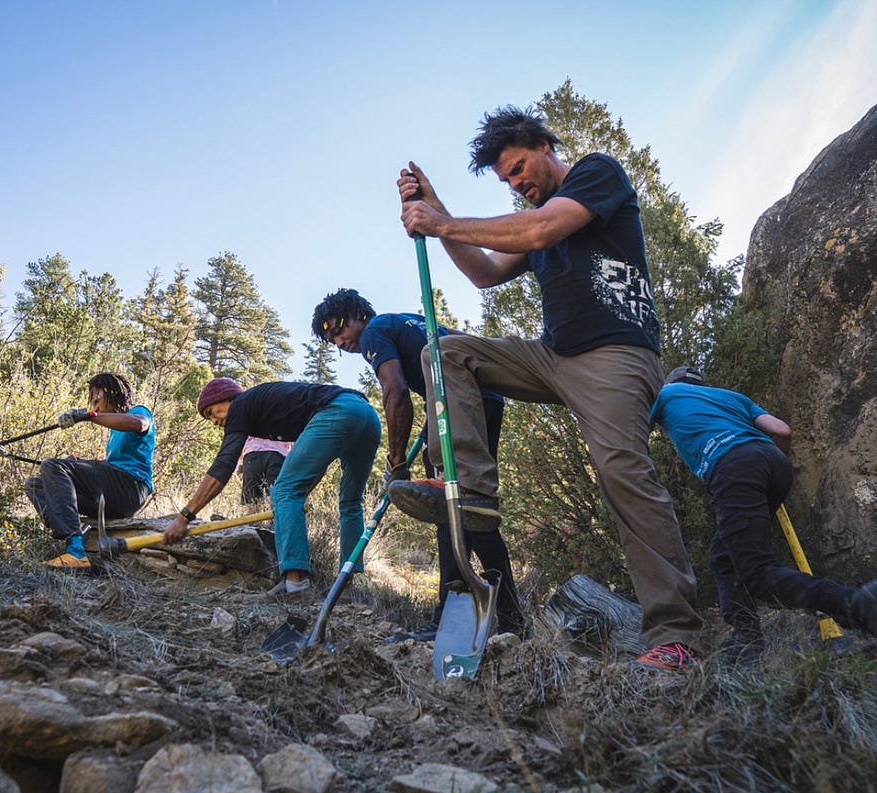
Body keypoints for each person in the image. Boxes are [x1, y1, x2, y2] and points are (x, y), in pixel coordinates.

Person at [390, 105, 705, 670]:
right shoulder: (532, 220)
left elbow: (541, 227)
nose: (517, 183)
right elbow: (484, 272)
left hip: (616, 355)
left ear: (543, 145)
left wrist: (441, 223)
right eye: (507, 179)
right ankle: (475, 494)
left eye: (518, 168)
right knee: (445, 351)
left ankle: (676, 635)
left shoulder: (596, 174)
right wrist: (438, 213)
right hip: (554, 356)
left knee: (620, 472)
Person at [311, 288, 527, 639]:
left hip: (458, 404)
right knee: (473, 510)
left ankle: (448, 618)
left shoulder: (375, 332)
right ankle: (513, 618)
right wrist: (429, 430)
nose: (338, 342)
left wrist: (397, 463)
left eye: (337, 330)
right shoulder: (408, 322)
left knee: (448, 508)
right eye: (330, 339)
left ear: (357, 315)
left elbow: (394, 391)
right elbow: (458, 339)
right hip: (481, 400)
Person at [651, 366, 877, 655]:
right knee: (724, 557)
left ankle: (857, 603)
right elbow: (782, 431)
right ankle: (746, 636)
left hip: (732, 465)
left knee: (756, 572)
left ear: (671, 383)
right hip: (775, 463)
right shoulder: (732, 397)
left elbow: (629, 429)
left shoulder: (667, 393)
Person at [162, 377, 381, 600]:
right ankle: (346, 587)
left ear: (227, 398)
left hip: (339, 409)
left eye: (211, 412)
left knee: (283, 491)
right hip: (368, 415)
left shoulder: (240, 405)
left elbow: (224, 465)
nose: (213, 421)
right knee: (351, 502)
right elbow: (319, 462)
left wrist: (184, 517)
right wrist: (301, 494)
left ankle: (295, 585)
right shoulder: (269, 410)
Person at [26, 373, 154, 569]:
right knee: (35, 485)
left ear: (113, 393)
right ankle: (75, 536)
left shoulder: (138, 411)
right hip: (114, 493)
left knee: (53, 465)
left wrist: (89, 417)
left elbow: (139, 424)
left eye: (97, 399)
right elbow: (109, 468)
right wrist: (78, 466)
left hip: (132, 488)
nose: (94, 406)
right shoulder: (113, 432)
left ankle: (75, 549)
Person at [239, 436, 293, 513]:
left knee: (252, 499)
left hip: (252, 450)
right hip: (278, 452)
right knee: (277, 497)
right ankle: (276, 521)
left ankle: (252, 520)